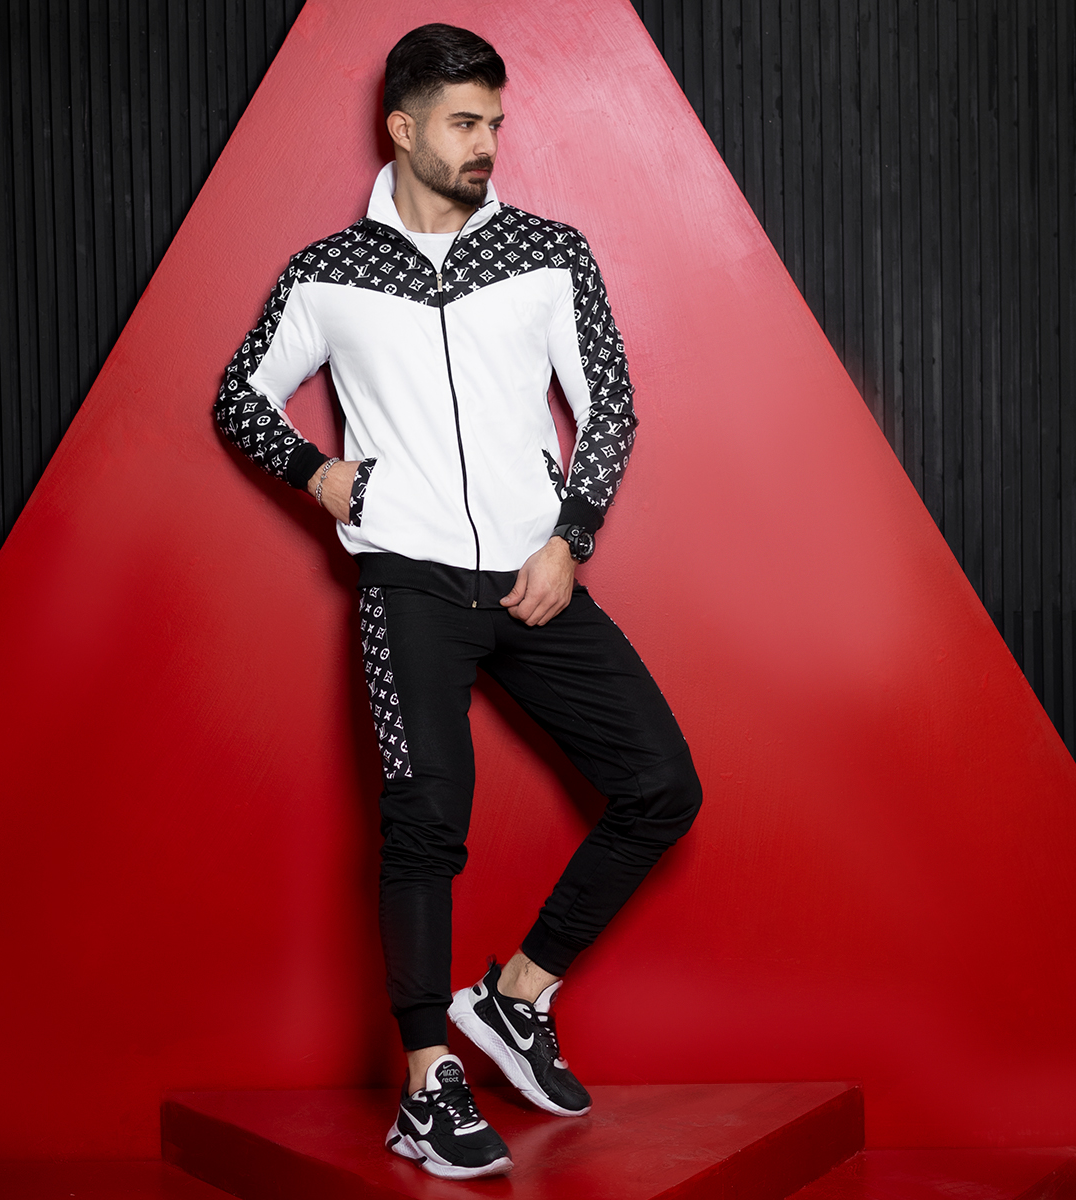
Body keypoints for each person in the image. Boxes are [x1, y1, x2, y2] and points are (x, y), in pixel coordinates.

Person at [214, 23, 703, 1181]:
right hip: (409, 582)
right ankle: (427, 1080)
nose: (487, 143)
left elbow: (612, 404)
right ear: (403, 128)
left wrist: (571, 539)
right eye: (464, 123)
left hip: (534, 576)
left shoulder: (547, 252)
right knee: (427, 820)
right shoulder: (329, 273)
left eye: (495, 122)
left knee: (662, 785)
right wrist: (316, 472)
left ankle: (516, 997)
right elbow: (238, 397)